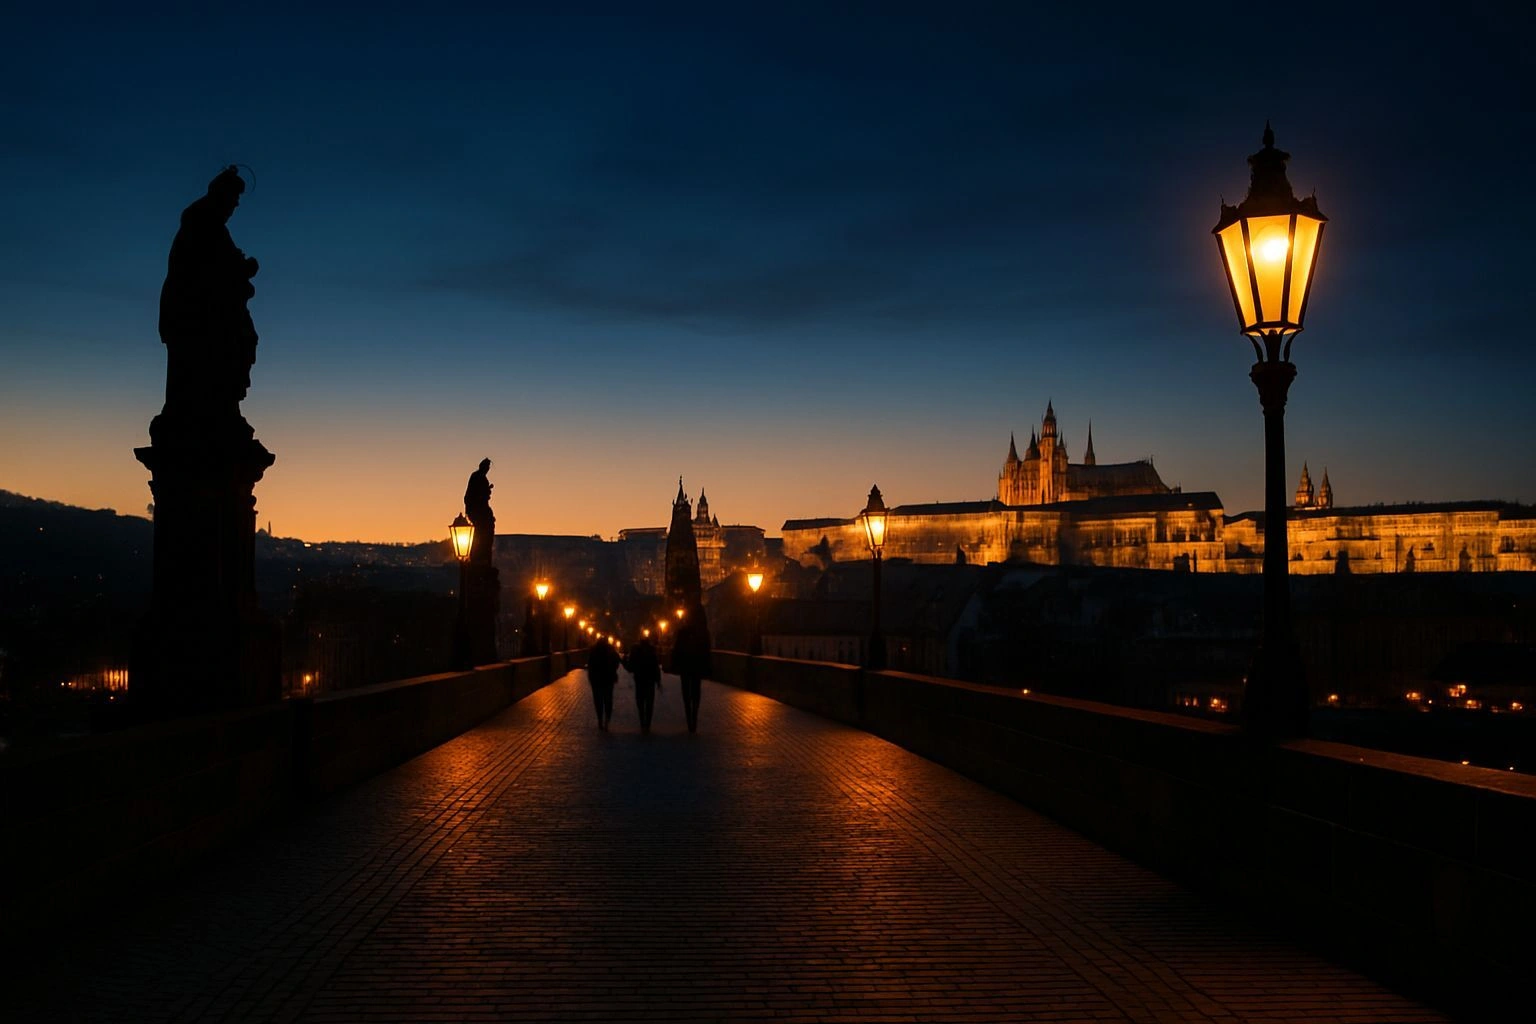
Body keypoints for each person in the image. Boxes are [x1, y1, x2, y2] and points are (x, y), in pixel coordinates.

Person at [669, 602, 712, 733]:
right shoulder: (703, 634)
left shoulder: (683, 632)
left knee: (686, 694)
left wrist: (675, 664)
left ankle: (690, 719)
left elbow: (676, 650)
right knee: (695, 692)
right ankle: (694, 716)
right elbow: (707, 651)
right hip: (696, 666)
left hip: (685, 667)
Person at [624, 634, 661, 733]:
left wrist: (625, 662)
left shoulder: (636, 650)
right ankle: (647, 724)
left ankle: (642, 722)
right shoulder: (652, 650)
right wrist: (658, 680)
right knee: (649, 703)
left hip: (639, 680)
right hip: (650, 680)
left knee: (640, 702)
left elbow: (630, 667)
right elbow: (656, 666)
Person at [463, 459, 495, 565]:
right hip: (478, 510)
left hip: (477, 509)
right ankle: (480, 555)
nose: (488, 469)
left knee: (483, 531)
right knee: (483, 532)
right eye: (487, 467)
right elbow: (479, 495)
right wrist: (487, 491)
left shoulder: (478, 477)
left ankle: (481, 554)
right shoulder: (478, 477)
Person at [587, 636, 619, 730]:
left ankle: (600, 719)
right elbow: (616, 662)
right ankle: (607, 720)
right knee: (608, 700)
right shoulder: (611, 650)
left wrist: (591, 677)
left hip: (596, 680)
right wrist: (613, 672)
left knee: (598, 701)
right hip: (608, 679)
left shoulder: (594, 650)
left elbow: (590, 664)